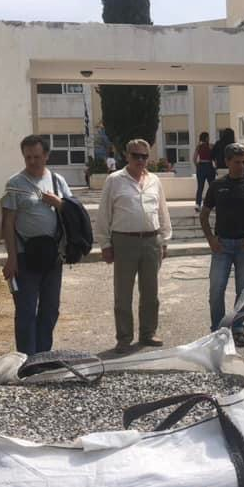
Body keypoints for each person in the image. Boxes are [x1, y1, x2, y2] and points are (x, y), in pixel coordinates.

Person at [95, 138, 173, 350]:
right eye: (135, 155)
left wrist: (164, 241)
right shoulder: (114, 180)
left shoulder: (154, 180)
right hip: (124, 241)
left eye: (144, 156)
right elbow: (104, 214)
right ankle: (124, 337)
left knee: (151, 292)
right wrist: (105, 244)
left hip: (151, 241)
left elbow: (162, 211)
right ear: (126, 156)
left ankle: (148, 333)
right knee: (123, 293)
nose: (140, 160)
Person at [1, 135, 73, 356]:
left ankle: (43, 356)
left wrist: (59, 203)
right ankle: (27, 359)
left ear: (47, 156)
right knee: (26, 311)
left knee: (50, 309)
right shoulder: (15, 184)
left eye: (37, 156)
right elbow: (8, 222)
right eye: (28, 157)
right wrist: (12, 258)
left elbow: (73, 211)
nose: (32, 161)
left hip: (52, 256)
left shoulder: (58, 181)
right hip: (25, 257)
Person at [201, 143, 244, 347]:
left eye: (243, 162)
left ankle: (238, 330)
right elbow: (204, 214)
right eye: (237, 162)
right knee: (216, 289)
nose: (241, 166)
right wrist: (211, 239)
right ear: (227, 162)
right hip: (222, 246)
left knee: (243, 291)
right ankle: (218, 331)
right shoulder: (217, 186)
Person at [193, 132, 215, 212]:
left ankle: (198, 204)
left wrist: (197, 166)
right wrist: (215, 167)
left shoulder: (198, 147)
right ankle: (212, 204)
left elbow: (194, 158)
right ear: (206, 138)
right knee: (212, 186)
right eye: (208, 137)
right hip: (209, 166)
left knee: (200, 187)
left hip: (201, 166)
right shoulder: (211, 146)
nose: (209, 138)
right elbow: (214, 158)